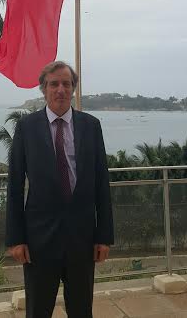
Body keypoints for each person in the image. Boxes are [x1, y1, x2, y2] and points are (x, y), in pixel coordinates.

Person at [6, 61, 114, 318]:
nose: (60, 90)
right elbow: (15, 185)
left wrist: (104, 236)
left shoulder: (91, 125)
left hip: (82, 238)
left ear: (73, 88)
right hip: (39, 240)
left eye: (66, 84)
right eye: (54, 84)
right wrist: (16, 239)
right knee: (38, 310)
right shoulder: (27, 127)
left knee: (81, 310)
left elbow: (101, 182)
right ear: (44, 89)